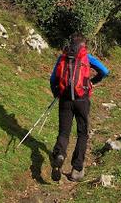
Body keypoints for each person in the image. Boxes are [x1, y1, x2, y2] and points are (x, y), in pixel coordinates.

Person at [49, 33, 109, 182]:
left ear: (71, 43)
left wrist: (57, 92)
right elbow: (105, 71)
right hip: (82, 100)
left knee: (64, 132)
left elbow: (53, 79)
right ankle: (77, 169)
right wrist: (92, 81)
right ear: (83, 45)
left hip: (65, 100)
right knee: (82, 133)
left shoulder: (63, 56)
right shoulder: (86, 57)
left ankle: (59, 154)